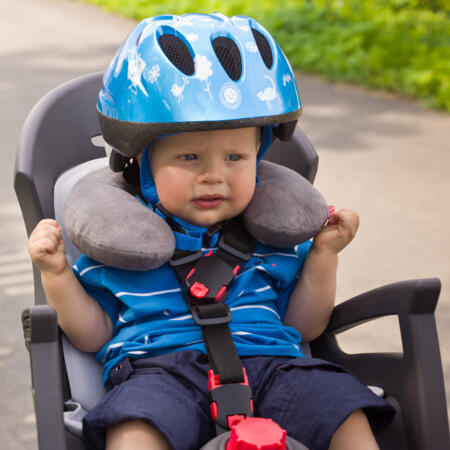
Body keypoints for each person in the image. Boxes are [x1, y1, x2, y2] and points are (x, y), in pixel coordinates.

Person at [27, 13, 394, 450]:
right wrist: (56, 274)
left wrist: (323, 255)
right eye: (188, 158)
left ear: (259, 156)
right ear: (140, 162)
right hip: (160, 373)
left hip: (276, 366)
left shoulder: (270, 240)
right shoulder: (124, 246)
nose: (213, 176)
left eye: (235, 158)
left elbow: (306, 326)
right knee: (134, 428)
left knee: (343, 409)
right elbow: (93, 335)